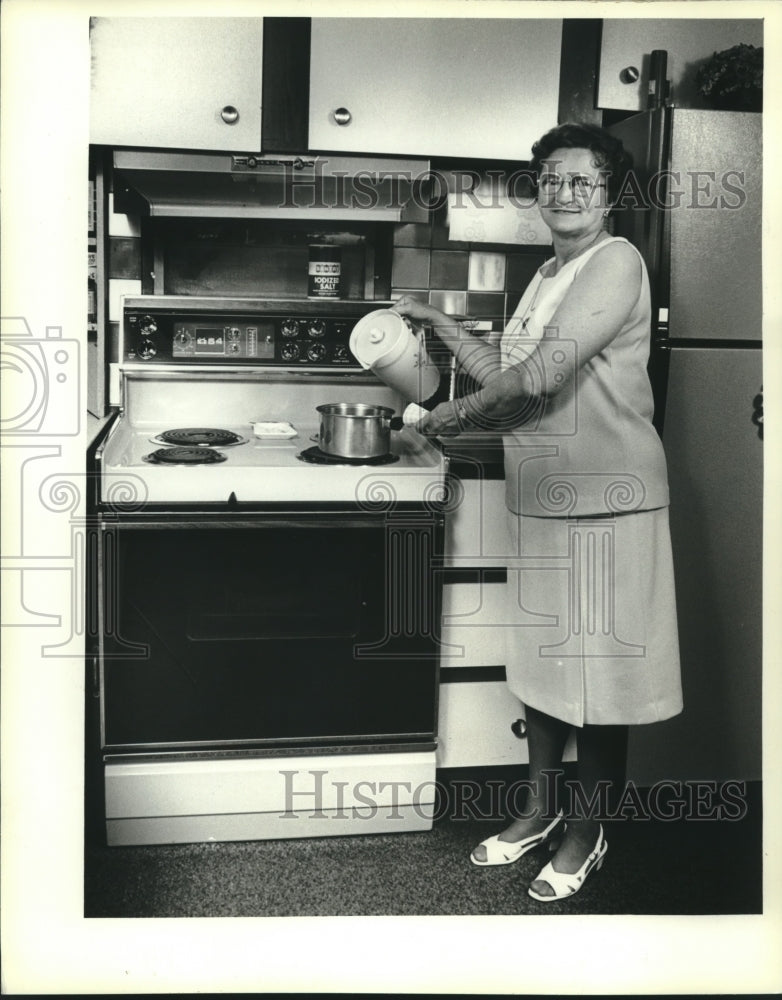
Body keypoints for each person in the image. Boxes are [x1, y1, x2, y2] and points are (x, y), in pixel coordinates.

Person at [393, 122, 683, 902]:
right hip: (549, 497)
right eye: (550, 178)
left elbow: (538, 379)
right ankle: (538, 811)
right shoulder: (548, 272)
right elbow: (509, 371)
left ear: (610, 192)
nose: (562, 192)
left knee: (603, 681)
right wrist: (442, 324)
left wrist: (441, 421)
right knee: (547, 670)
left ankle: (588, 833)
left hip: (609, 502)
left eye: (580, 180)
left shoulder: (615, 262)